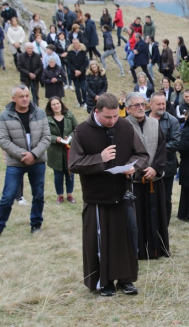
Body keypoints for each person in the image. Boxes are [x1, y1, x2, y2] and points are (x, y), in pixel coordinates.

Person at [69, 93, 149, 296]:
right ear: (96, 111)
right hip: (97, 198)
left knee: (124, 241)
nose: (112, 121)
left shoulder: (125, 127)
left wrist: (134, 167)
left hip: (122, 194)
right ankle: (103, 282)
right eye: (108, 117)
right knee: (99, 241)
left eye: (115, 116)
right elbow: (74, 164)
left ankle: (126, 280)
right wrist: (100, 158)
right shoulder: (81, 131)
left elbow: (141, 154)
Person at [0, 85, 51, 240]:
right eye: (21, 96)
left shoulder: (39, 113)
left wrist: (33, 154)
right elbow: (3, 140)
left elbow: (46, 137)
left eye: (27, 95)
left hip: (37, 160)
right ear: (13, 99)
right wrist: (24, 156)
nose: (25, 99)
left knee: (38, 194)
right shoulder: (5, 116)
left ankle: (36, 225)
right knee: (7, 197)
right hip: (16, 162)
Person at [126, 92, 170, 259]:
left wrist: (155, 168)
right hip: (135, 181)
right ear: (128, 109)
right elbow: (124, 153)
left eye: (142, 104)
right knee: (138, 218)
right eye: (136, 105)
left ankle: (158, 249)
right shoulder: (124, 126)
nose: (140, 108)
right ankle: (140, 251)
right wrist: (140, 170)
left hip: (154, 178)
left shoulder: (153, 123)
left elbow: (161, 147)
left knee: (157, 214)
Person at [147, 92, 181, 226]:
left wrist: (153, 149)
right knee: (147, 197)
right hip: (145, 165)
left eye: (163, 104)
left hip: (167, 165)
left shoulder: (172, 121)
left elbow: (175, 143)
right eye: (158, 104)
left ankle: (163, 225)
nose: (162, 106)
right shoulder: (142, 118)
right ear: (151, 104)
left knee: (165, 198)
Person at [45, 97, 78, 204]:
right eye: (53, 104)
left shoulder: (69, 115)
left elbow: (77, 129)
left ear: (61, 104)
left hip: (69, 150)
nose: (56, 106)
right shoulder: (47, 119)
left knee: (70, 174)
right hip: (55, 152)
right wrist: (56, 139)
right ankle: (60, 196)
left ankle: (70, 195)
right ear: (50, 107)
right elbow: (45, 135)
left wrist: (70, 137)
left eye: (57, 103)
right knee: (58, 175)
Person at [66, 38, 89, 108]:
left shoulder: (83, 51)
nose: (75, 44)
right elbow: (69, 63)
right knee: (77, 89)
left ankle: (85, 101)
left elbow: (85, 63)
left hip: (82, 73)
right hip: (74, 74)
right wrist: (75, 70)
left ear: (79, 43)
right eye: (74, 43)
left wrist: (80, 71)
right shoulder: (70, 53)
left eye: (76, 43)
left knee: (84, 88)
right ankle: (79, 102)